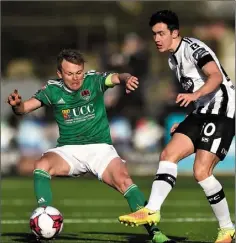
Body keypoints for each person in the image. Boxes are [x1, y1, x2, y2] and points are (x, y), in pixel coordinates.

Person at [7, 49, 172, 243]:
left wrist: (127, 79)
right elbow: (24, 108)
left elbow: (117, 77)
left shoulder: (94, 80)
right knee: (41, 165)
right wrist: (16, 105)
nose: (76, 78)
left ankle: (156, 234)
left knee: (125, 180)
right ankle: (44, 213)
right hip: (69, 150)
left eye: (79, 73)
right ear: (60, 74)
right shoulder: (52, 90)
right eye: (70, 74)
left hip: (100, 149)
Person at [118, 10, 235, 243]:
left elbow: (215, 77)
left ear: (175, 33)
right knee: (168, 154)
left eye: (161, 33)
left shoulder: (193, 48)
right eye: (154, 34)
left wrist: (195, 96)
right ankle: (152, 210)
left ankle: (227, 230)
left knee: (201, 172)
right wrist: (187, 118)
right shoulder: (173, 59)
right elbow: (199, 93)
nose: (157, 38)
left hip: (221, 111)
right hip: (201, 112)